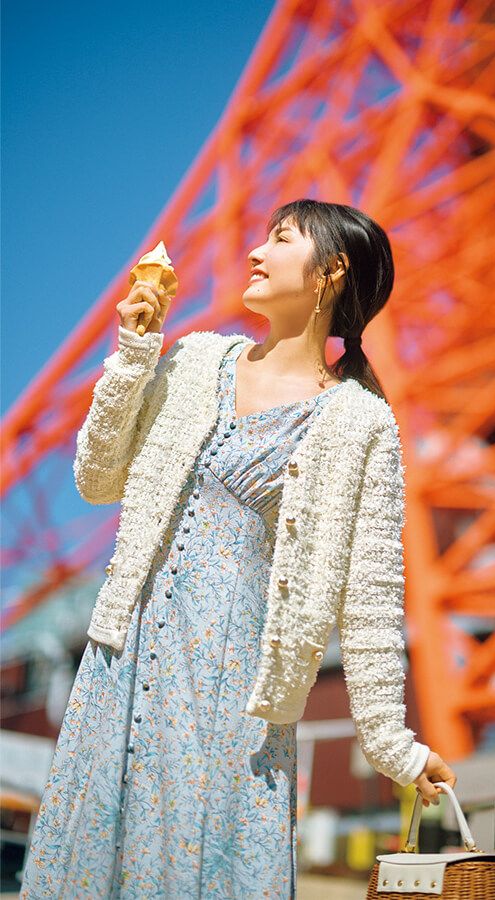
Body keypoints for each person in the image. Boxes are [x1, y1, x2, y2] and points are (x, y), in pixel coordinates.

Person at [20, 199, 456, 898]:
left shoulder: (361, 422)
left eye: (281, 239)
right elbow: (97, 481)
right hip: (123, 659)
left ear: (331, 271)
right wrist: (135, 354)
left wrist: (394, 748)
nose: (256, 252)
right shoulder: (195, 359)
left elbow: (371, 600)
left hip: (230, 692)